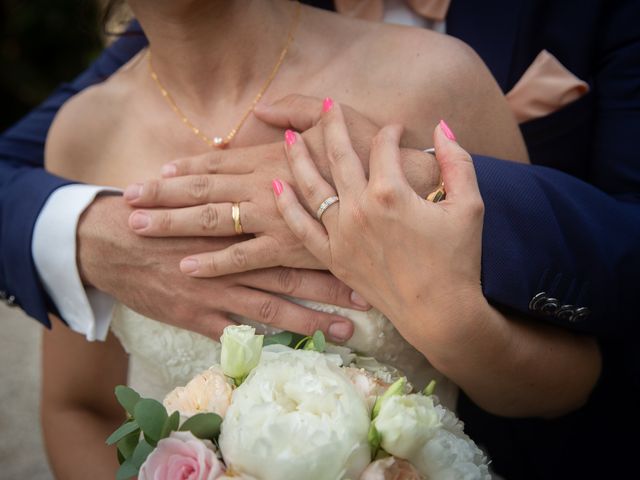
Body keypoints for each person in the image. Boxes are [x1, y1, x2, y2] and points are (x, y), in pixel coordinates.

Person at [38, 1, 601, 478]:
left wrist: (443, 318)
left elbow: (565, 383)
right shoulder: (79, 136)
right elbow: (77, 406)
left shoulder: (433, 78)